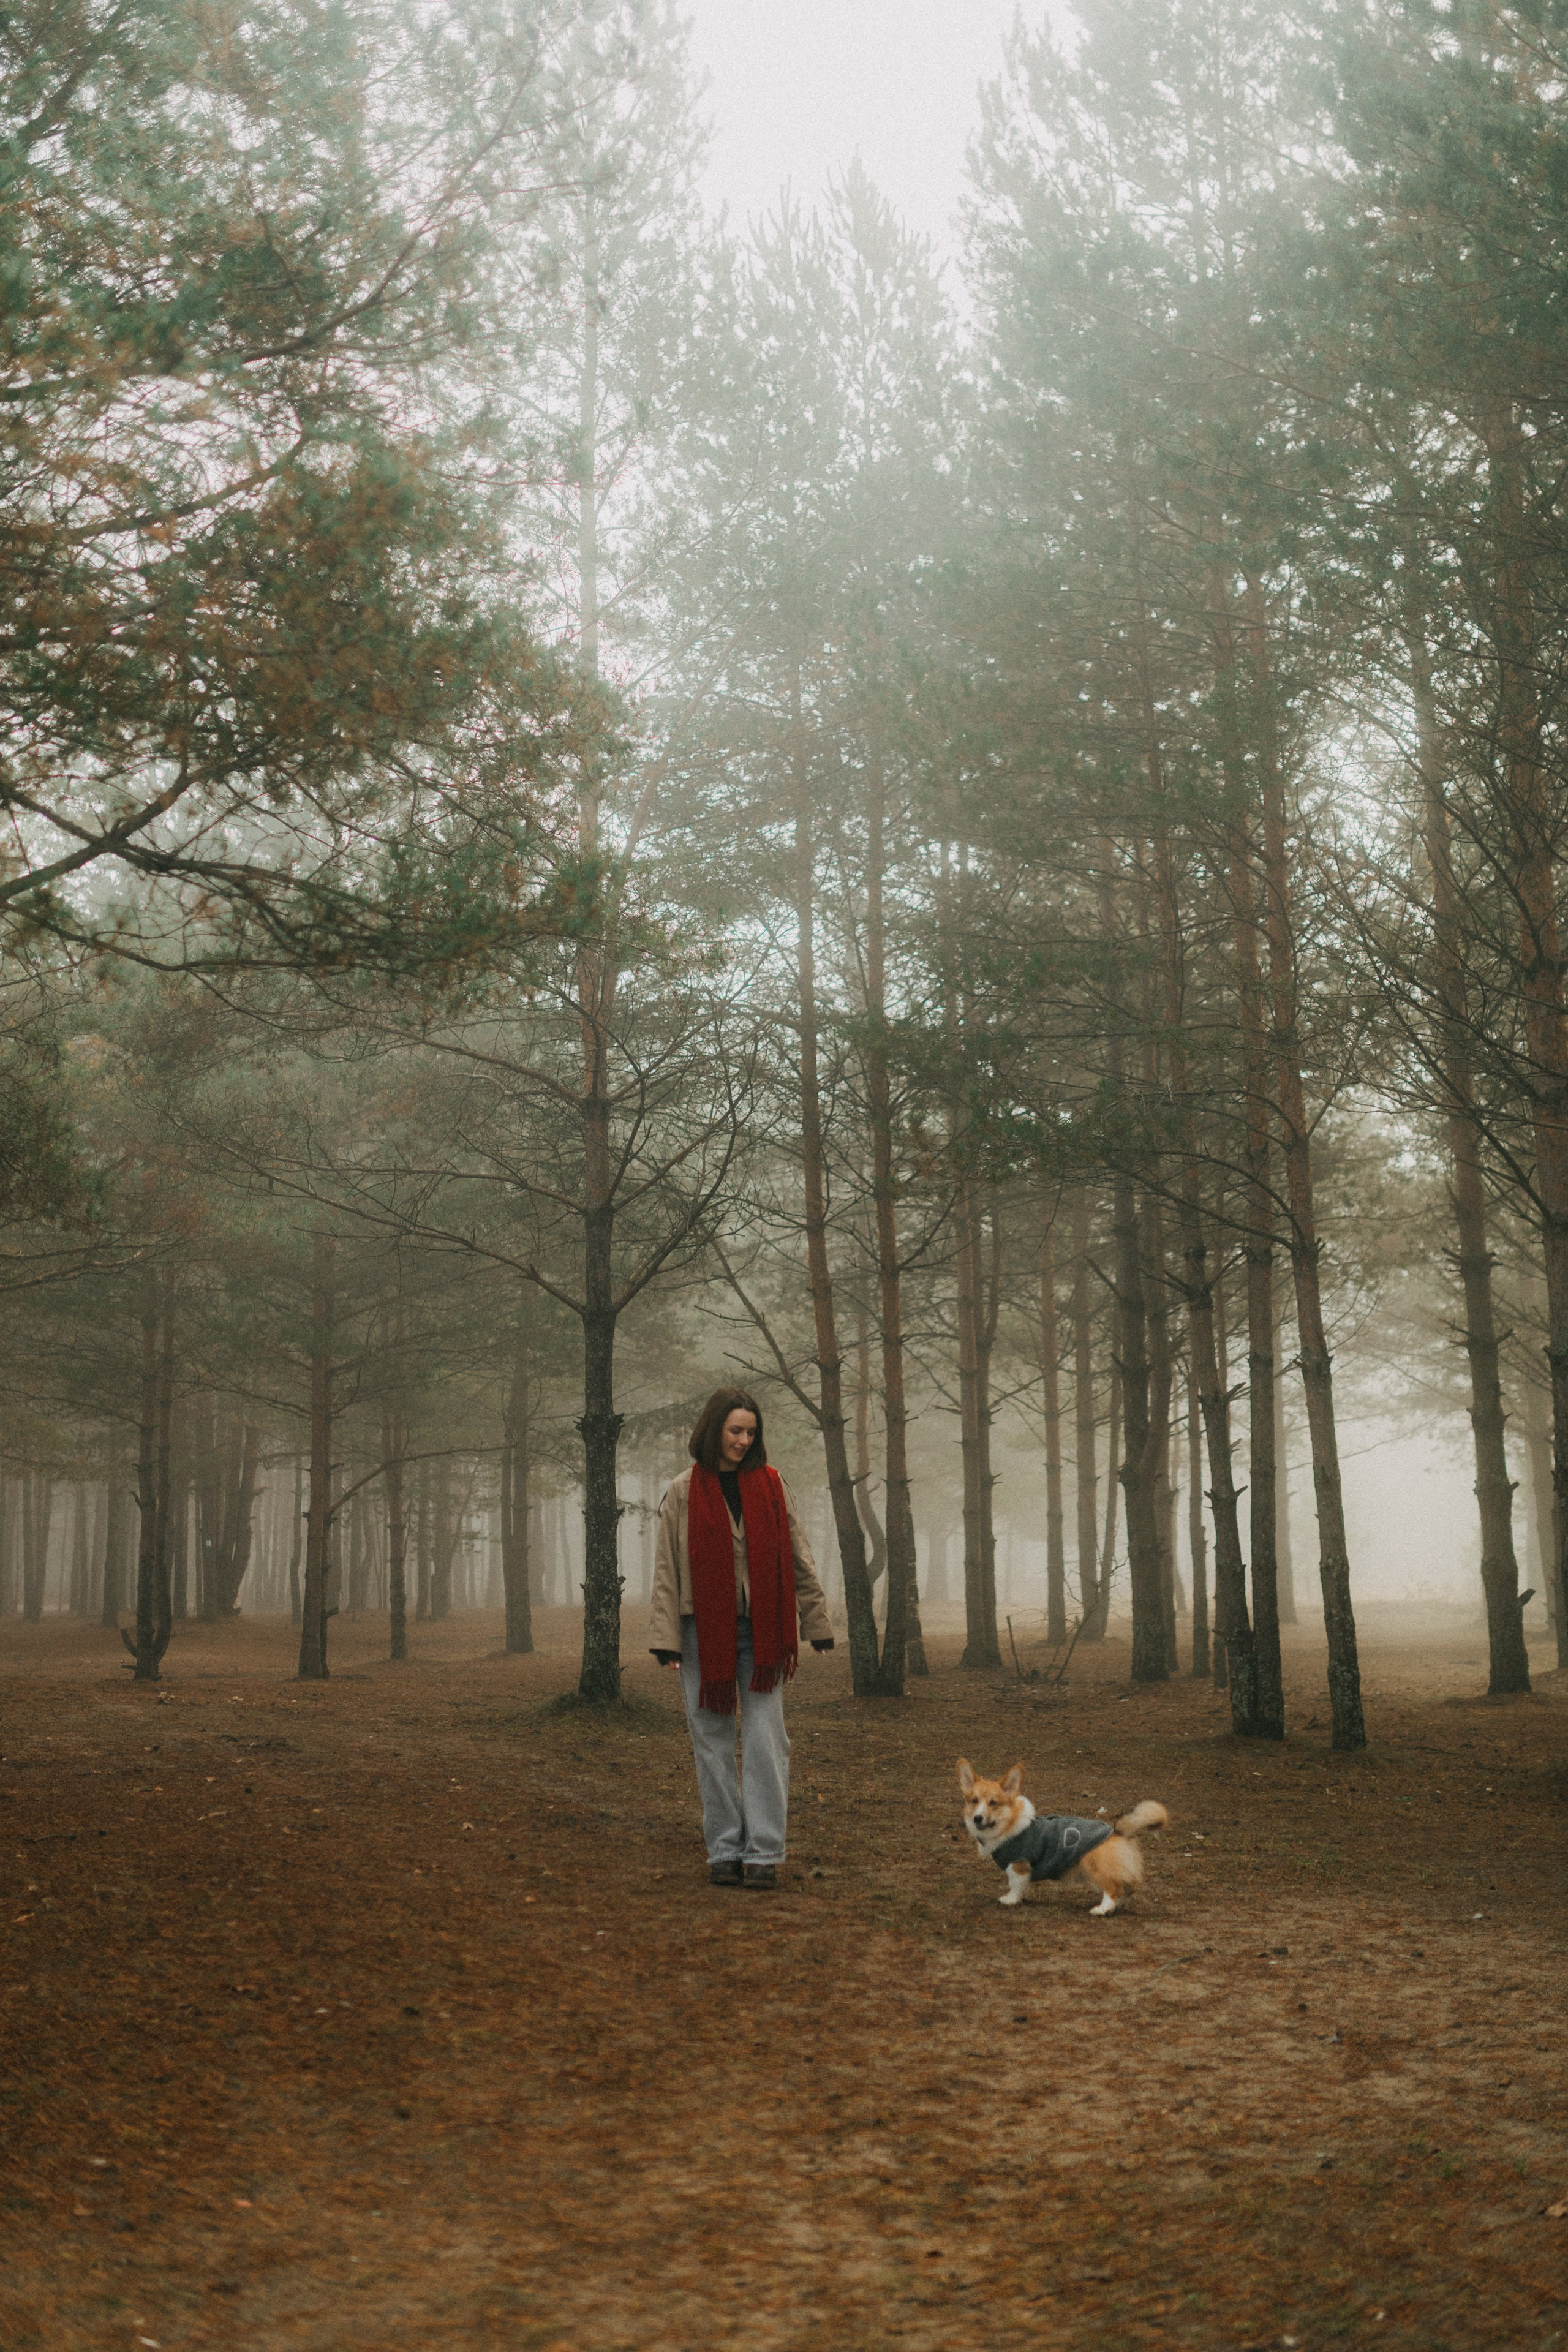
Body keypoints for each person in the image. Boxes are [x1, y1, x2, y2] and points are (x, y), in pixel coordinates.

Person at [650, 1387, 834, 1890]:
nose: (743, 1440)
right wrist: (666, 1640)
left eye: (751, 1432)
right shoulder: (683, 1491)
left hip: (763, 1635)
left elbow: (800, 1556)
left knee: (765, 1739)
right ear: (715, 1430)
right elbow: (666, 1569)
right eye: (735, 1431)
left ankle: (764, 1852)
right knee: (710, 1743)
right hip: (699, 1634)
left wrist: (816, 1623)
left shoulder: (772, 1485)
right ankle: (725, 1849)